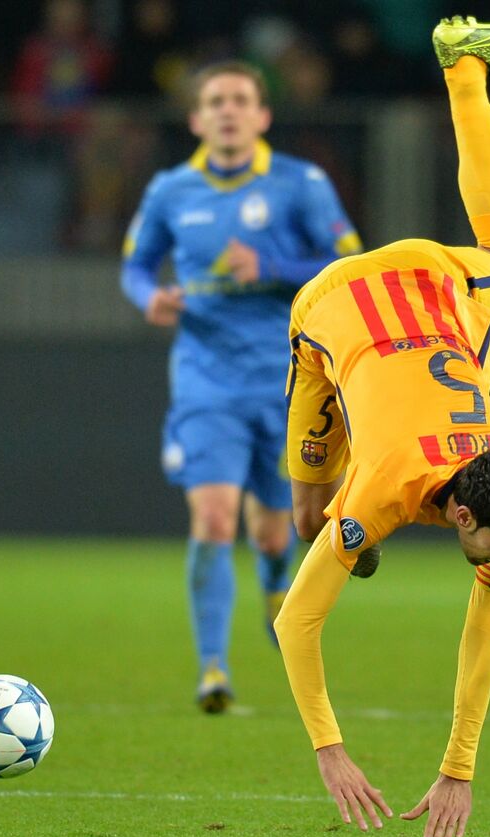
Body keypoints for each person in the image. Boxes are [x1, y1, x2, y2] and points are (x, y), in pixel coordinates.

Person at [274, 17, 490, 837]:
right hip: (333, 310)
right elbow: (295, 625)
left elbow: (484, 632)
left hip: (440, 291)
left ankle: (465, 66)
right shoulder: (386, 485)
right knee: (308, 523)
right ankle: (463, 71)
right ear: (462, 518)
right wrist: (331, 750)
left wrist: (458, 765)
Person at [120, 60, 364, 713]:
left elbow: (351, 262)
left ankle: (275, 585)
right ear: (198, 119)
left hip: (288, 380)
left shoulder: (300, 184)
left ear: (262, 116)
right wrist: (149, 297)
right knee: (213, 517)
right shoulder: (171, 191)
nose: (228, 111)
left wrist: (275, 265)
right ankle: (212, 669)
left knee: (273, 533)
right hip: (205, 378)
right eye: (216, 102)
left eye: (240, 100)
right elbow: (136, 265)